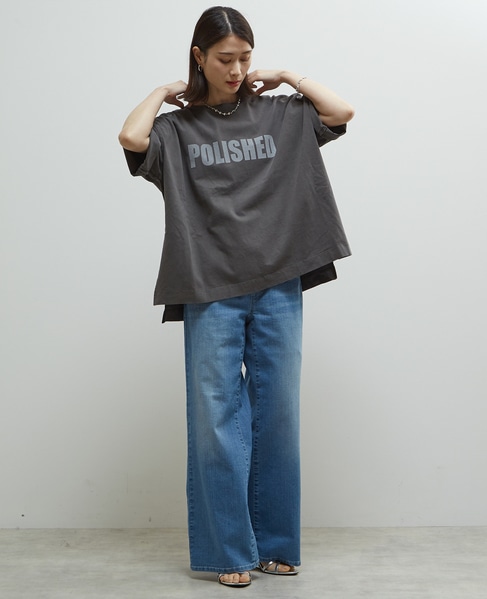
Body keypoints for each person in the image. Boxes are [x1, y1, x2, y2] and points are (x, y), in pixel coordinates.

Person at [118, 5, 354, 588]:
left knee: (278, 416)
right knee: (217, 420)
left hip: (278, 285)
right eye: (225, 59)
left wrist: (288, 76)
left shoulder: (280, 114)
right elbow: (131, 137)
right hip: (210, 288)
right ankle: (229, 552)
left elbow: (341, 111)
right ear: (200, 57)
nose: (237, 70)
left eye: (245, 58)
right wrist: (164, 91)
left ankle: (276, 545)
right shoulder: (177, 130)